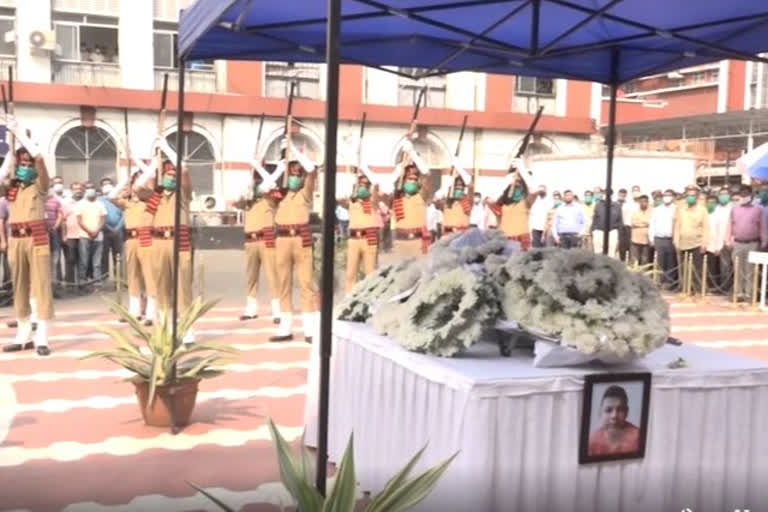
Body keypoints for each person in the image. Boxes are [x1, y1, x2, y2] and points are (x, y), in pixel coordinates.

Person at [1, 115, 54, 356]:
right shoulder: (11, 188)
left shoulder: (40, 185)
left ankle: (41, 338)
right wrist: (8, 159)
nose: (25, 167)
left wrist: (19, 132)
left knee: (41, 287)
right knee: (20, 288)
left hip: (37, 238)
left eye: (27, 163)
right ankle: (23, 336)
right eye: (21, 163)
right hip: (15, 239)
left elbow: (40, 158)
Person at [143, 139, 195, 344]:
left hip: (178, 243)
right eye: (168, 174)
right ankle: (165, 328)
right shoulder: (154, 196)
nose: (172, 178)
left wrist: (166, 148)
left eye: (173, 175)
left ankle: (187, 330)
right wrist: (153, 166)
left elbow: (185, 171)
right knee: (161, 288)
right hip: (158, 244)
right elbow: (138, 188)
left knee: (183, 289)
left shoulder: (182, 195)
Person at [269, 141, 319, 343]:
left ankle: (309, 329)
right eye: (292, 175)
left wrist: (294, 151)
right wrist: (280, 167)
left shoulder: (304, 192)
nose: (296, 178)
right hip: (281, 239)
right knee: (283, 284)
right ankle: (285, 327)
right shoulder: (278, 195)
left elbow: (311, 170)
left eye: (298, 175)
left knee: (305, 283)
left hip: (301, 238)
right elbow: (264, 186)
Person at [109, 157, 158, 325]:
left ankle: (151, 313)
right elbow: (111, 196)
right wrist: (126, 178)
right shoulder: (129, 202)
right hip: (130, 239)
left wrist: (141, 168)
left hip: (146, 238)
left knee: (149, 276)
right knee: (133, 277)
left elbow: (147, 182)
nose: (136, 183)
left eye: (139, 178)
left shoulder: (151, 199)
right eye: (135, 180)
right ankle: (134, 312)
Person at [235, 159, 280, 323]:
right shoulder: (249, 198)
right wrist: (245, 193)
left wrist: (259, 169)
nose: (257, 181)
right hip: (250, 240)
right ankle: (251, 309)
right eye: (255, 178)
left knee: (272, 276)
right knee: (251, 276)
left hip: (265, 238)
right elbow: (238, 203)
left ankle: (277, 310)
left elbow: (271, 186)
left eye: (259, 178)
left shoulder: (271, 195)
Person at [726, 185, 768, 302]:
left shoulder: (758, 209)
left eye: (746, 193)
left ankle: (749, 294)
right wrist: (728, 240)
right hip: (738, 243)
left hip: (753, 243)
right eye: (742, 193)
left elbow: (762, 226)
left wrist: (764, 241)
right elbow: (730, 225)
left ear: (751, 195)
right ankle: (738, 293)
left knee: (751, 270)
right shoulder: (734, 209)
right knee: (738, 269)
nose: (744, 196)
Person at [390, 140, 431, 259]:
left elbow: (427, 174)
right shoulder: (396, 197)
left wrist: (412, 153)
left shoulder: (422, 195)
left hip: (417, 242)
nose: (412, 181)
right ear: (403, 181)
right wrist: (399, 169)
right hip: (400, 242)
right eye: (409, 179)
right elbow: (384, 185)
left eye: (414, 179)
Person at [342, 170, 380, 292]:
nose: (363, 188)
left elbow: (376, 185)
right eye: (361, 185)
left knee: (370, 274)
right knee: (350, 273)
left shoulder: (372, 202)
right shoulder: (352, 202)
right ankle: (348, 299)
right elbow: (340, 197)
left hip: (368, 239)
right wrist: (353, 181)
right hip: (354, 240)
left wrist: (366, 169)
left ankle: (369, 300)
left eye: (365, 185)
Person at [487, 159, 536, 249]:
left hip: (521, 242)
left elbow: (533, 191)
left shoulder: (525, 203)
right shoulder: (501, 207)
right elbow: (490, 200)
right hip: (504, 241)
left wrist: (522, 169)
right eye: (514, 184)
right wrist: (508, 179)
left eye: (519, 184)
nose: (516, 185)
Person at [673, 185, 709, 294]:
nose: (690, 197)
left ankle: (698, 289)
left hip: (696, 243)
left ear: (697, 196)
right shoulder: (681, 209)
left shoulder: (702, 210)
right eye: (688, 195)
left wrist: (704, 243)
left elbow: (706, 227)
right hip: (683, 243)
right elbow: (677, 226)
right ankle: (685, 288)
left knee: (697, 269)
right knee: (684, 269)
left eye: (693, 195)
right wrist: (676, 241)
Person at [588, 385, 640, 456]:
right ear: (600, 413)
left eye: (620, 410)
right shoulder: (592, 440)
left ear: (626, 412)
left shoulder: (638, 438)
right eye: (608, 410)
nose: (614, 416)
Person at [76, 182, 107, 291]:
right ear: (85, 191)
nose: (91, 190)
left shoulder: (100, 204)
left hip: (98, 236)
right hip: (84, 236)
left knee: (97, 262)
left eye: (92, 188)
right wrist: (89, 231)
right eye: (88, 188)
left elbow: (103, 219)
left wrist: (97, 231)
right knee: (83, 261)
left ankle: (97, 284)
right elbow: (79, 221)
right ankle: (82, 284)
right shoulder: (80, 204)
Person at [649, 189, 677, 289]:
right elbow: (652, 224)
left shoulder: (676, 209)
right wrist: (651, 238)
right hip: (659, 239)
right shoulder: (657, 209)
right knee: (660, 261)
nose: (667, 197)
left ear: (673, 197)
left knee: (671, 262)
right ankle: (660, 281)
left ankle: (670, 282)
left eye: (669, 195)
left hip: (671, 239)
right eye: (665, 195)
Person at [438, 162, 473, 238]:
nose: (459, 189)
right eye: (456, 187)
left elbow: (470, 185)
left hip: (462, 239)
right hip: (447, 238)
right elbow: (436, 199)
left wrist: (458, 167)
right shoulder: (447, 203)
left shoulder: (466, 202)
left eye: (461, 187)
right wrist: (448, 182)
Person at [100, 177, 124, 282]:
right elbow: (99, 216)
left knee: (118, 256)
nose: (107, 186)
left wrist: (118, 227)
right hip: (104, 231)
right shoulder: (99, 201)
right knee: (103, 256)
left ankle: (119, 279)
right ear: (101, 187)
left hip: (118, 232)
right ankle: (104, 279)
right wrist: (108, 227)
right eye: (104, 184)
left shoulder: (118, 199)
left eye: (109, 184)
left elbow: (124, 214)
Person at [706, 193, 730, 295]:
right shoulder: (704, 213)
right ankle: (710, 287)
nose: (711, 204)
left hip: (716, 246)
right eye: (709, 202)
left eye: (713, 202)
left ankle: (721, 288)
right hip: (705, 245)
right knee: (709, 268)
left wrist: (718, 246)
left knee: (720, 268)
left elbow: (721, 231)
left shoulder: (719, 214)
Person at [61, 182, 84, 290]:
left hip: (84, 235)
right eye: (75, 189)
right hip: (71, 236)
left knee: (82, 261)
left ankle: (82, 284)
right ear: (71, 190)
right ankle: (70, 284)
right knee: (70, 260)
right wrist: (64, 235)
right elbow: (63, 220)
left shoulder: (86, 202)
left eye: (79, 188)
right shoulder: (66, 203)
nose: (78, 190)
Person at [592, 188, 622, 257]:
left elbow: (620, 222)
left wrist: (619, 237)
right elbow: (594, 219)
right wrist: (594, 231)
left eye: (609, 194)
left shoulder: (617, 206)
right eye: (605, 193)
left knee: (611, 255)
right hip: (599, 232)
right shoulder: (598, 205)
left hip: (612, 232)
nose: (606, 195)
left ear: (612, 195)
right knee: (598, 255)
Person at [44, 181, 63, 290]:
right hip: (42, 233)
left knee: (55, 258)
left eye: (50, 187)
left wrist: (55, 226)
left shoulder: (56, 201)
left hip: (54, 232)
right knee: (43, 259)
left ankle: (54, 285)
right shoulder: (39, 200)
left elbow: (60, 215)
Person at [630, 195, 652, 266]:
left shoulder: (651, 212)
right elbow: (633, 223)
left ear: (648, 202)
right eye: (641, 201)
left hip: (646, 240)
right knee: (634, 260)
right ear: (639, 202)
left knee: (644, 260)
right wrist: (645, 224)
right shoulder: (635, 212)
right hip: (635, 240)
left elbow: (651, 223)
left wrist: (640, 223)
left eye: (645, 201)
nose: (643, 203)